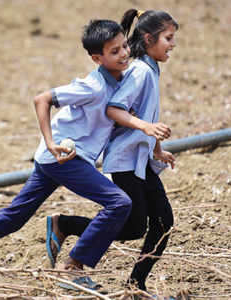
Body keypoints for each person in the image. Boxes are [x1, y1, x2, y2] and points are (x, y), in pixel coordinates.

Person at [0, 19, 140, 276]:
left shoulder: (119, 82)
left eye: (125, 46)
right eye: (115, 51)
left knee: (15, 216)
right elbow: (42, 99)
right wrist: (50, 143)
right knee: (119, 203)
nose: (124, 53)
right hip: (65, 158)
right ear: (97, 58)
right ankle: (73, 266)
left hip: (54, 160)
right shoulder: (93, 86)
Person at [45, 9, 179, 293]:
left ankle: (135, 286)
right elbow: (114, 109)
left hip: (139, 159)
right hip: (124, 160)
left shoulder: (151, 69)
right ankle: (68, 229)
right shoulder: (140, 71)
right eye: (168, 38)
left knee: (158, 224)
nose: (173, 44)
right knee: (142, 226)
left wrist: (157, 148)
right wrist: (146, 129)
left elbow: (146, 114)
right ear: (148, 38)